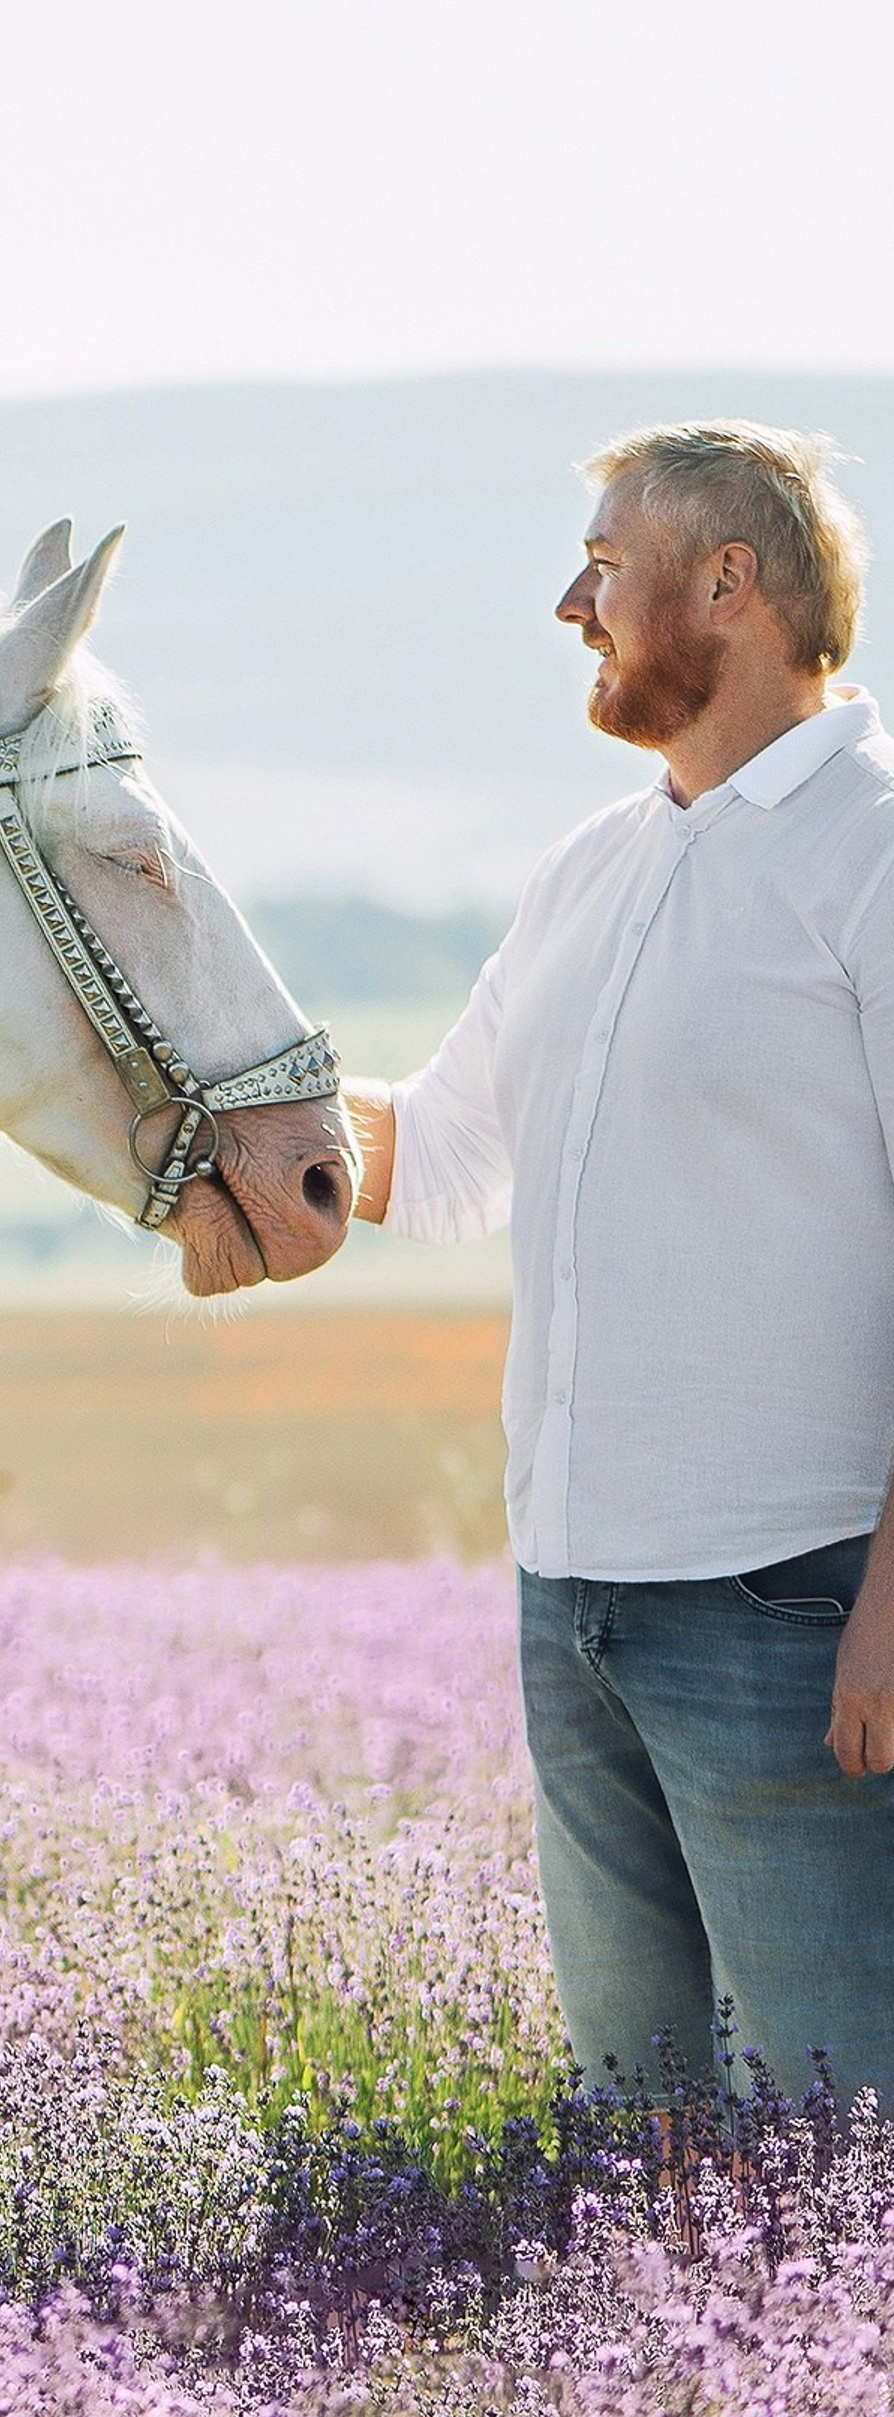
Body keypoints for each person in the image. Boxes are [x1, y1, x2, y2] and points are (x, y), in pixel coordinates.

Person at [344, 419, 894, 2106]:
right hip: (572, 1598)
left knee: (834, 2136)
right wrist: (194, 1079)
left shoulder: (873, 856)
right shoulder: (588, 871)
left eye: (605, 564)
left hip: (791, 1606)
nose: (568, 601)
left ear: (728, 583)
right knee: (640, 2139)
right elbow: (434, 1161)